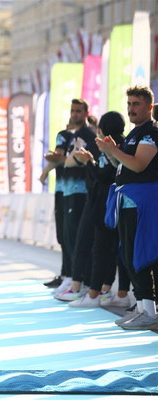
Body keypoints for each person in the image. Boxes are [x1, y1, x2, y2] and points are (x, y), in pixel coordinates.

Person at [100, 85, 158, 330]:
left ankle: (150, 312)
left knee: (142, 255)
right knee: (129, 256)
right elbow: (123, 166)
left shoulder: (151, 132)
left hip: (143, 202)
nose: (131, 108)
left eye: (136, 104)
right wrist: (110, 153)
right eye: (129, 104)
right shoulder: (136, 133)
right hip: (127, 200)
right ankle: (143, 308)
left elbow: (138, 165)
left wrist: (113, 150)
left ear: (149, 107)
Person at [66, 111, 131, 308]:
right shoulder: (120, 144)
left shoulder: (114, 145)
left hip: (109, 205)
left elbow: (104, 177)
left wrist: (89, 162)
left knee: (104, 249)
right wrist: (93, 161)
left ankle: (95, 293)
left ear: (102, 128)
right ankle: (117, 293)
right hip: (113, 204)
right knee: (117, 250)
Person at [52, 99, 99, 300]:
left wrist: (66, 160)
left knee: (79, 238)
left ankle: (83, 282)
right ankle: (72, 278)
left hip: (81, 191)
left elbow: (87, 161)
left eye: (79, 111)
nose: (75, 114)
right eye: (73, 110)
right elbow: (69, 160)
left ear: (86, 113)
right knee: (69, 236)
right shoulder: (74, 135)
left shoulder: (88, 135)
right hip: (68, 190)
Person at [39, 127, 73, 288]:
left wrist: (45, 172)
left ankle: (72, 276)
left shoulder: (66, 135)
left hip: (69, 190)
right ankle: (67, 274)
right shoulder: (71, 135)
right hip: (66, 189)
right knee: (65, 236)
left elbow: (58, 158)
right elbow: (59, 158)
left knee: (68, 236)